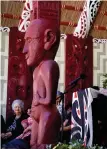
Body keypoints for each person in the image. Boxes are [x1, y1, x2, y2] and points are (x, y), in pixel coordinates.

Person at [22, 18, 61, 148]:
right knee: (33, 145)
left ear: (49, 39)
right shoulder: (36, 70)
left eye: (29, 41)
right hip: (38, 117)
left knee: (43, 146)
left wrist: (38, 100)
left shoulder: (49, 66)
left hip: (47, 116)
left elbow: (49, 100)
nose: (24, 50)